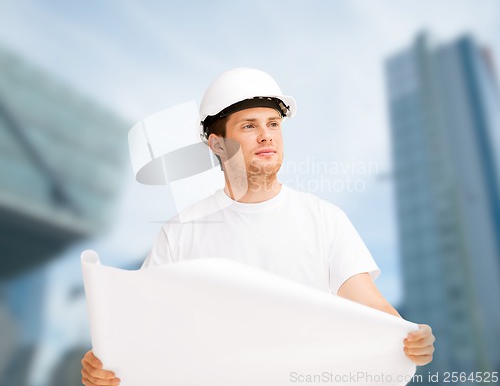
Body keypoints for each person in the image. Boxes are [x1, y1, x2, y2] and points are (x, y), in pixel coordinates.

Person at [81, 68, 435, 386]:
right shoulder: (180, 231)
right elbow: (141, 326)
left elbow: (372, 307)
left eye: (273, 124)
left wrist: (407, 335)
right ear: (216, 144)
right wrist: (104, 366)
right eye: (249, 126)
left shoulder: (324, 220)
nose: (266, 136)